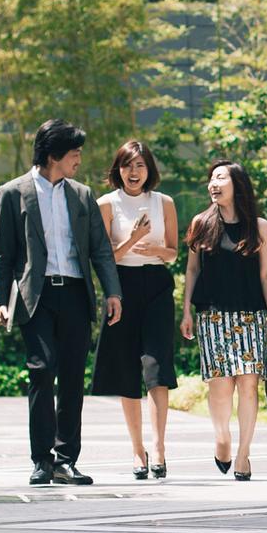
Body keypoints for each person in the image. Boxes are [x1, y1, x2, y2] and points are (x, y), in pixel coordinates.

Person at [0, 119, 122, 486]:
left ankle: (66, 460)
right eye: (74, 153)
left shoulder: (81, 194)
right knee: (41, 370)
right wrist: (1, 298)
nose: (79, 159)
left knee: (71, 379)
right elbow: (2, 253)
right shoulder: (13, 193)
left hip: (76, 293)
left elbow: (99, 249)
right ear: (53, 155)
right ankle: (41, 460)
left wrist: (113, 292)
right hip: (37, 295)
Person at [179, 160, 267, 481]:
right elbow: (192, 270)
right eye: (211, 179)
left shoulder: (259, 227)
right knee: (220, 388)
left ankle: (243, 454)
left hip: (251, 316)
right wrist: (186, 311)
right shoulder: (201, 223)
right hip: (212, 316)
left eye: (220, 178)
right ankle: (222, 436)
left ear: (237, 184)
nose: (213, 184)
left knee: (249, 386)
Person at [90, 140, 179, 480]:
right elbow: (105, 256)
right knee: (127, 369)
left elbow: (171, 252)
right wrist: (132, 238)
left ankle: (159, 447)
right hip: (120, 287)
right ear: (118, 169)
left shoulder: (164, 202)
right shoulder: (106, 204)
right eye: (128, 165)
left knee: (156, 368)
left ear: (149, 170)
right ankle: (137, 450)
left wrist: (154, 246)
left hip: (156, 284)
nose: (134, 172)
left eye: (140, 165)